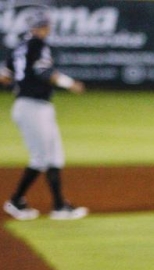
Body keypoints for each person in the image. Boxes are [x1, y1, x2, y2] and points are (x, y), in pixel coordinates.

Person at [0, 10, 88, 221]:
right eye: (46, 26)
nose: (47, 29)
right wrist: (70, 83)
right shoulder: (38, 45)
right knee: (41, 158)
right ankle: (16, 201)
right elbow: (43, 71)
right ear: (41, 27)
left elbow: (4, 76)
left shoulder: (20, 48)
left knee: (54, 156)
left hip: (34, 105)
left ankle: (59, 206)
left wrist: (21, 83)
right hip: (32, 107)